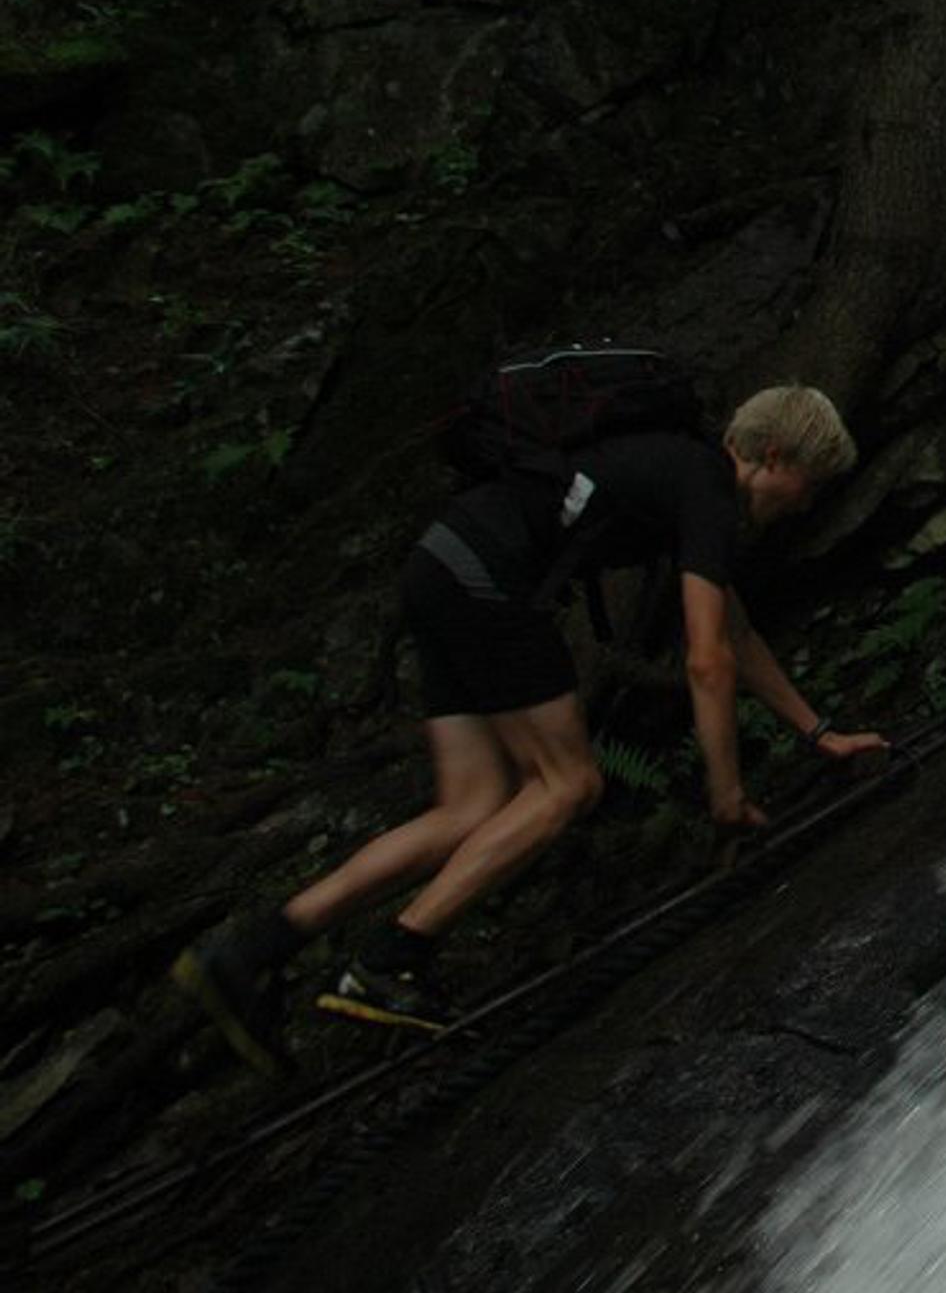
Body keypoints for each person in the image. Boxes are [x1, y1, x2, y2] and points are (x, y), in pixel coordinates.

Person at [171, 385, 883, 1064]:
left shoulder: (678, 469)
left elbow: (736, 633)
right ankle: (391, 958)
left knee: (470, 806)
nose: (806, 503)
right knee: (569, 784)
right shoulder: (707, 488)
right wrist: (726, 795)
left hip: (440, 565)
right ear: (774, 457)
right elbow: (707, 659)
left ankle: (250, 951)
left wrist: (818, 731)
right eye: (810, 485)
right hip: (488, 580)